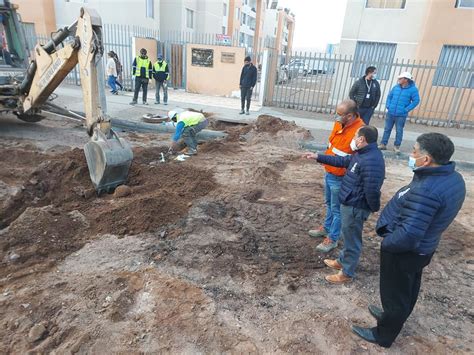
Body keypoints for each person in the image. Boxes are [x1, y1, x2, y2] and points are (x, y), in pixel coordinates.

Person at [352, 133, 466, 348]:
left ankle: (383, 335)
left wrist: (387, 244)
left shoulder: (427, 190)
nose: (411, 154)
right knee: (408, 288)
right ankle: (392, 316)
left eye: (414, 151)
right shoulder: (453, 178)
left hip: (405, 252)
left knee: (395, 294)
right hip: (424, 248)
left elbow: (409, 234)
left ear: (427, 159)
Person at [303, 126, 385, 283]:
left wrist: (370, 208)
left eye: (355, 136)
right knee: (348, 236)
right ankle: (342, 261)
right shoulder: (362, 154)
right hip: (350, 202)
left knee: (352, 240)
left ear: (362, 139)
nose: (353, 139)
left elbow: (372, 189)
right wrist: (317, 156)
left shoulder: (371, 160)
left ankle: (347, 273)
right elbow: (343, 161)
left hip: (356, 207)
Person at [308, 99, 365, 253]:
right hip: (329, 171)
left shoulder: (360, 132)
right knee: (329, 203)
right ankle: (326, 228)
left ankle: (332, 238)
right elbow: (333, 146)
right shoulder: (340, 124)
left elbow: (354, 158)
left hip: (341, 177)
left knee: (338, 209)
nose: (336, 116)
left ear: (350, 116)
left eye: (340, 114)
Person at [379, 72, 420, 153]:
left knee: (399, 130)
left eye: (400, 78)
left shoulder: (413, 89)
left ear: (406, 80)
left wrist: (406, 109)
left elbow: (416, 100)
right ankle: (383, 144)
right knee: (387, 129)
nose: (399, 80)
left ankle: (396, 146)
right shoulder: (396, 87)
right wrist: (388, 105)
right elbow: (389, 96)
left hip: (401, 115)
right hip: (391, 113)